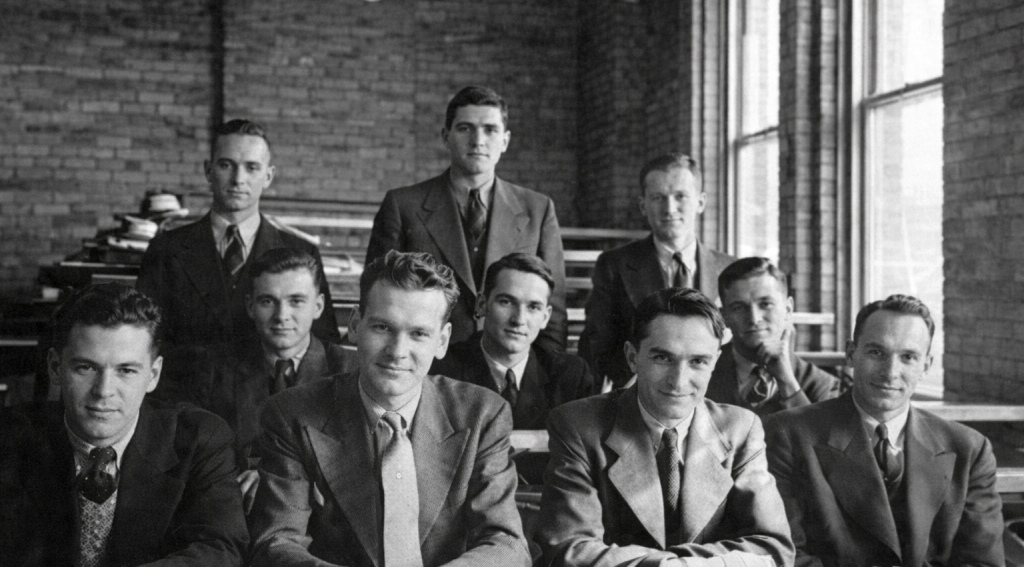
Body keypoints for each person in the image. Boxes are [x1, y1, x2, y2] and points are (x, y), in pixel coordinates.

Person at [248, 250, 531, 567]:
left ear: (442, 341)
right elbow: (276, 543)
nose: (398, 352)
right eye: (382, 327)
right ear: (355, 325)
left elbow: (506, 543)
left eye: (418, 334)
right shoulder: (292, 414)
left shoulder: (482, 414)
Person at [536, 287, 793, 567]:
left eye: (698, 361)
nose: (679, 381)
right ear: (632, 357)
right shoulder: (578, 425)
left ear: (714, 363)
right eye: (662, 358)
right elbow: (570, 550)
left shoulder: (740, 429)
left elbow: (773, 548)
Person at [0, 283, 248, 566]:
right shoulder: (8, 437)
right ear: (56, 367)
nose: (104, 391)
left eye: (126, 370)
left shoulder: (199, 439)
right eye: (86, 367)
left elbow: (220, 547)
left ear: (153, 375)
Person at [764, 295, 1004, 566]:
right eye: (877, 353)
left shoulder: (970, 450)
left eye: (908, 357)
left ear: (926, 366)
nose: (890, 372)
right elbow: (785, 555)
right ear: (851, 354)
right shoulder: (786, 434)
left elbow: (982, 562)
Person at [366, 85, 567, 352]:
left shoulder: (537, 209)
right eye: (465, 128)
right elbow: (377, 296)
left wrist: (548, 368)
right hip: (428, 360)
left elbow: (555, 306)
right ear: (445, 136)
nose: (478, 140)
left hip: (504, 363)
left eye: (490, 129)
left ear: (505, 140)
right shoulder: (403, 205)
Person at [154, 247, 351, 510]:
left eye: (296, 301)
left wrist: (274, 478)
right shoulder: (214, 369)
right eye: (268, 301)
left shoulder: (347, 370)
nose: (281, 315)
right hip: (236, 507)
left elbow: (353, 464)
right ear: (250, 306)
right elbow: (194, 454)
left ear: (318, 306)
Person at [136, 118, 340, 348]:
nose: (238, 179)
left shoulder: (302, 251)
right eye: (226, 165)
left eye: (251, 168)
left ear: (268, 176)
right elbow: (143, 340)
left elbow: (324, 345)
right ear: (208, 170)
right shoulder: (165, 249)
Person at [579, 153, 736, 388]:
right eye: (658, 197)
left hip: (712, 395)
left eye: (680, 196)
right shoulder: (614, 265)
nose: (669, 208)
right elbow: (597, 344)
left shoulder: (728, 268)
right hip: (640, 393)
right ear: (643, 205)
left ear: (701, 202)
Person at [432, 252, 594, 430]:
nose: (519, 319)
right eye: (506, 302)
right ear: (482, 304)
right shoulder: (441, 370)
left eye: (533, 307)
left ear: (545, 317)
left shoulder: (570, 376)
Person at [706, 257, 839, 416]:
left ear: (788, 309)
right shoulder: (703, 369)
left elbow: (820, 433)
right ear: (724, 317)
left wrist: (787, 382)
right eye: (739, 307)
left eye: (765, 304)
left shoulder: (822, 385)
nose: (754, 318)